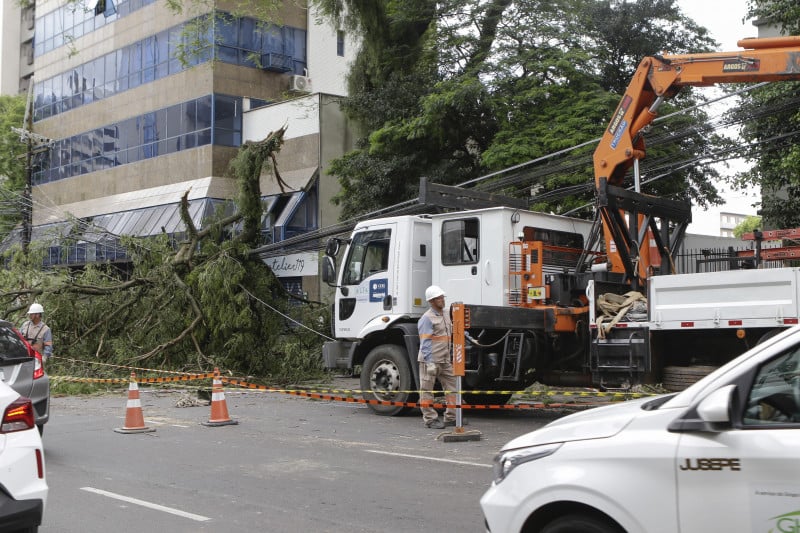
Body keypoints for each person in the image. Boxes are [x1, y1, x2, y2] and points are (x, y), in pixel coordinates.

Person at [417, 285, 460, 429]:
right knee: (426, 390)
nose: (442, 300)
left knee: (453, 387)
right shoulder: (426, 318)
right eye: (438, 298)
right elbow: (425, 342)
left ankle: (451, 417)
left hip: (444, 360)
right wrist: (429, 362)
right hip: (430, 361)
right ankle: (430, 419)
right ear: (431, 301)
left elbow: (454, 330)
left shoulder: (446, 314)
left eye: (442, 297)